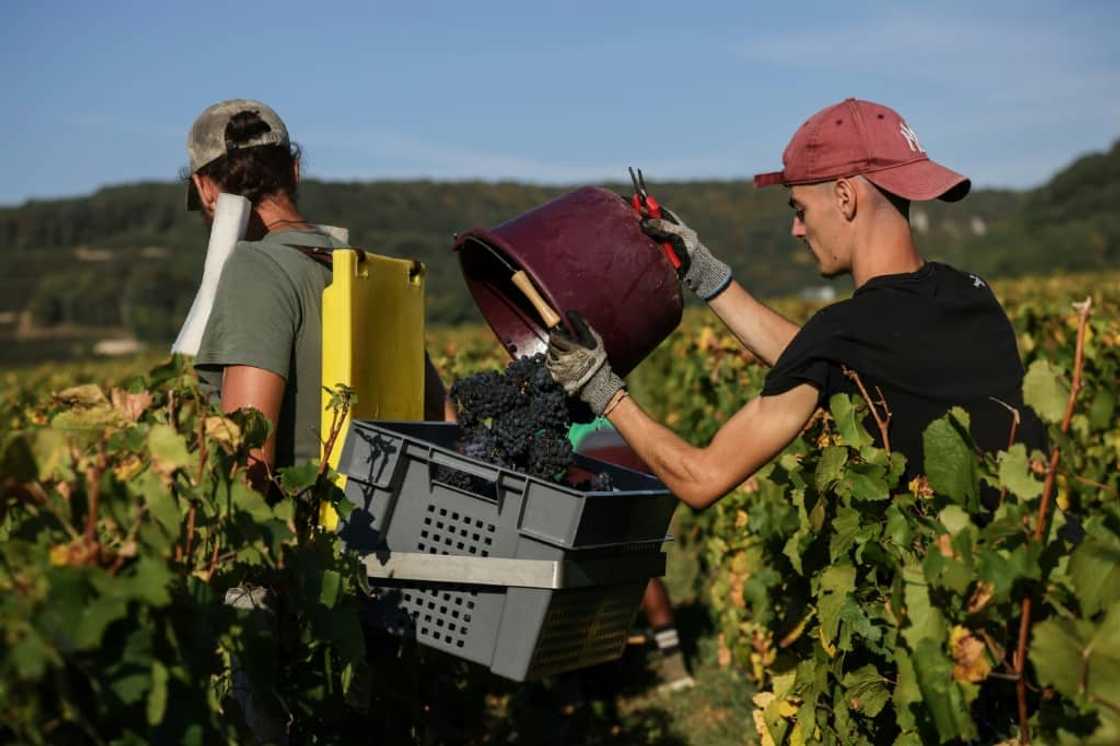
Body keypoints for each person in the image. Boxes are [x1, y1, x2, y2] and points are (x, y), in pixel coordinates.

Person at [546, 98, 1043, 509]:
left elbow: (700, 478)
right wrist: (703, 271)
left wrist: (602, 388)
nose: (797, 229)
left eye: (801, 210)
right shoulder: (969, 294)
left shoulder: (845, 333)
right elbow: (833, 357)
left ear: (846, 198)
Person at [185, 99, 451, 486]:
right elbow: (445, 423)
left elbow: (249, 461)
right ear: (294, 172)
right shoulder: (374, 272)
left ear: (205, 189)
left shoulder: (257, 268)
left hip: (305, 533)